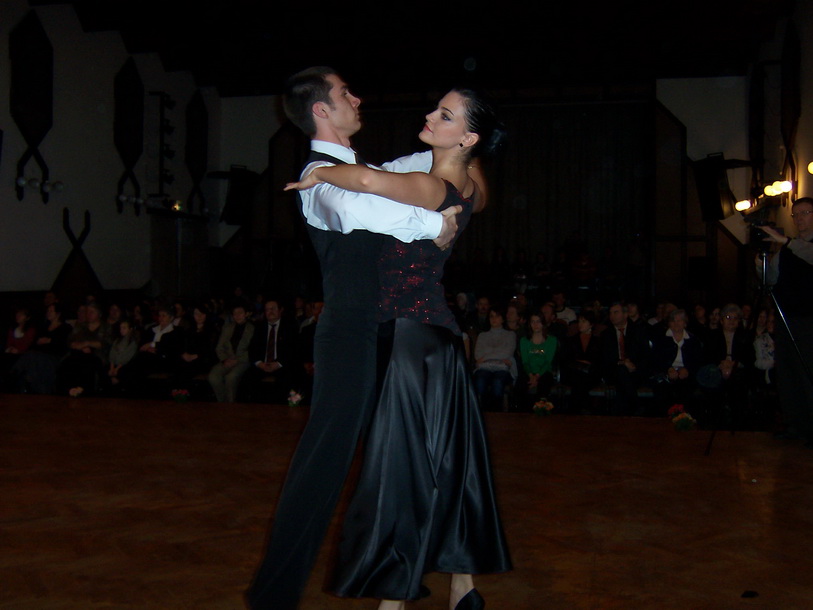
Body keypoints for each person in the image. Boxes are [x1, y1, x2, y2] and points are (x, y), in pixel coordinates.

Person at [283, 86, 510, 610]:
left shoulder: (429, 186)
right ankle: (463, 586)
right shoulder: (469, 184)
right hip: (438, 338)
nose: (429, 115)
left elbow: (364, 180)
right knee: (448, 460)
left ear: (468, 138)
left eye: (445, 115)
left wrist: (320, 173)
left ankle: (393, 598)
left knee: (400, 466)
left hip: (408, 336)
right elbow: (474, 192)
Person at [246, 66, 463, 609]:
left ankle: (411, 571)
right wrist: (435, 226)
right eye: (346, 93)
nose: (357, 98)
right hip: (348, 335)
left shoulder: (358, 169)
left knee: (409, 456)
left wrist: (460, 152)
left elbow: (406, 171)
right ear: (322, 110)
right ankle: (273, 596)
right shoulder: (318, 176)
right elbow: (361, 208)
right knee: (324, 465)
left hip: (387, 332)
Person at [758, 197, 813, 444]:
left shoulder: (795, 246)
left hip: (809, 320)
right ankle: (795, 425)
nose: (799, 218)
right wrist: (761, 265)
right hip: (786, 318)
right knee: (788, 373)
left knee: (807, 372)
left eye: (805, 213)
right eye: (795, 214)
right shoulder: (786, 250)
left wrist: (787, 242)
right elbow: (771, 281)